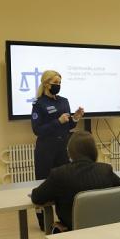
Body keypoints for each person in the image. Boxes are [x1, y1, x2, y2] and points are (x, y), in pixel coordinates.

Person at [32, 70, 84, 229]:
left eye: (60, 83)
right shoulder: (39, 104)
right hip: (45, 150)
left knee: (66, 183)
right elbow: (37, 130)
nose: (58, 85)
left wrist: (75, 118)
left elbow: (68, 125)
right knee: (43, 184)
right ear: (46, 84)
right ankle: (43, 222)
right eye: (55, 83)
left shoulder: (64, 101)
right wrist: (58, 121)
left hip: (63, 148)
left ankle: (65, 218)